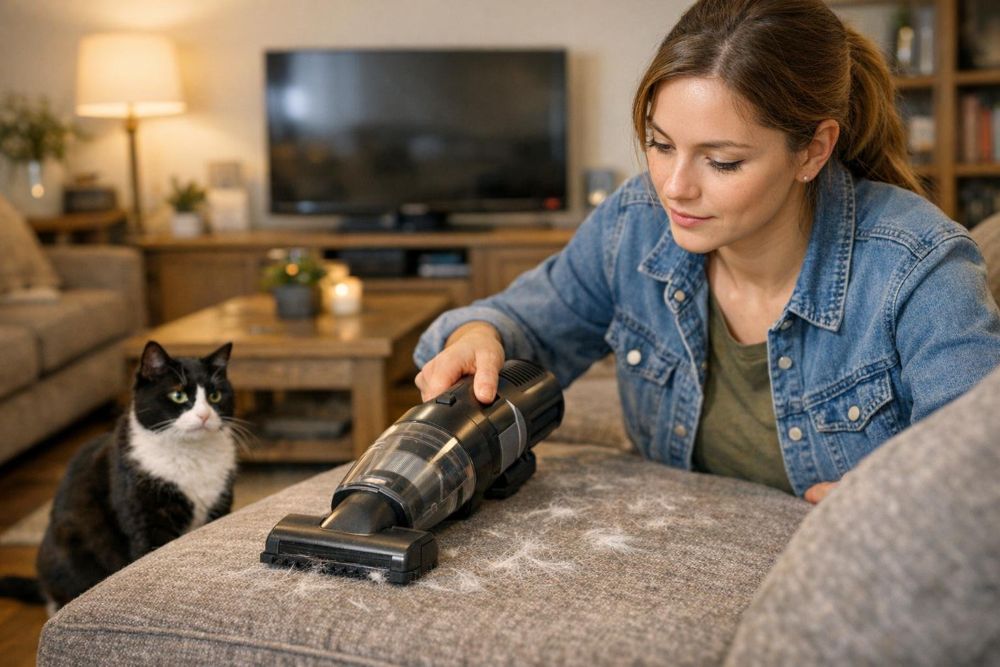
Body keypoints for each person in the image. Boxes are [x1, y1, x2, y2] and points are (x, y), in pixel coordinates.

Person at [413, 0, 1000, 503]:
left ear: (814, 150)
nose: (674, 187)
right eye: (660, 144)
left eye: (722, 161)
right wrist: (477, 339)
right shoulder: (635, 221)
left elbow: (980, 468)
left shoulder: (919, 266)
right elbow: (523, 325)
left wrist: (903, 507)